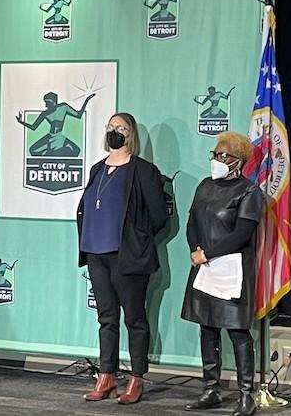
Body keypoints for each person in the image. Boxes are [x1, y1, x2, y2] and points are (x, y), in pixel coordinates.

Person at [76, 112, 169, 404]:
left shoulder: (143, 170)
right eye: (111, 127)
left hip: (127, 256)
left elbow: (158, 215)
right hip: (96, 253)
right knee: (106, 318)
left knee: (135, 319)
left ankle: (137, 378)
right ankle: (106, 376)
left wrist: (137, 238)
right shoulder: (96, 169)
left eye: (121, 128)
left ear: (131, 135)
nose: (115, 131)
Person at [181, 131, 263, 416]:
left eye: (223, 155)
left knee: (238, 332)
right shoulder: (204, 186)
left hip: (232, 270)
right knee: (207, 326)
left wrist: (209, 253)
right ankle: (211, 389)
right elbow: (192, 221)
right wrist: (195, 250)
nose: (217, 159)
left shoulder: (250, 192)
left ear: (238, 161)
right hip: (204, 266)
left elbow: (242, 233)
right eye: (215, 154)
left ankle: (246, 395)